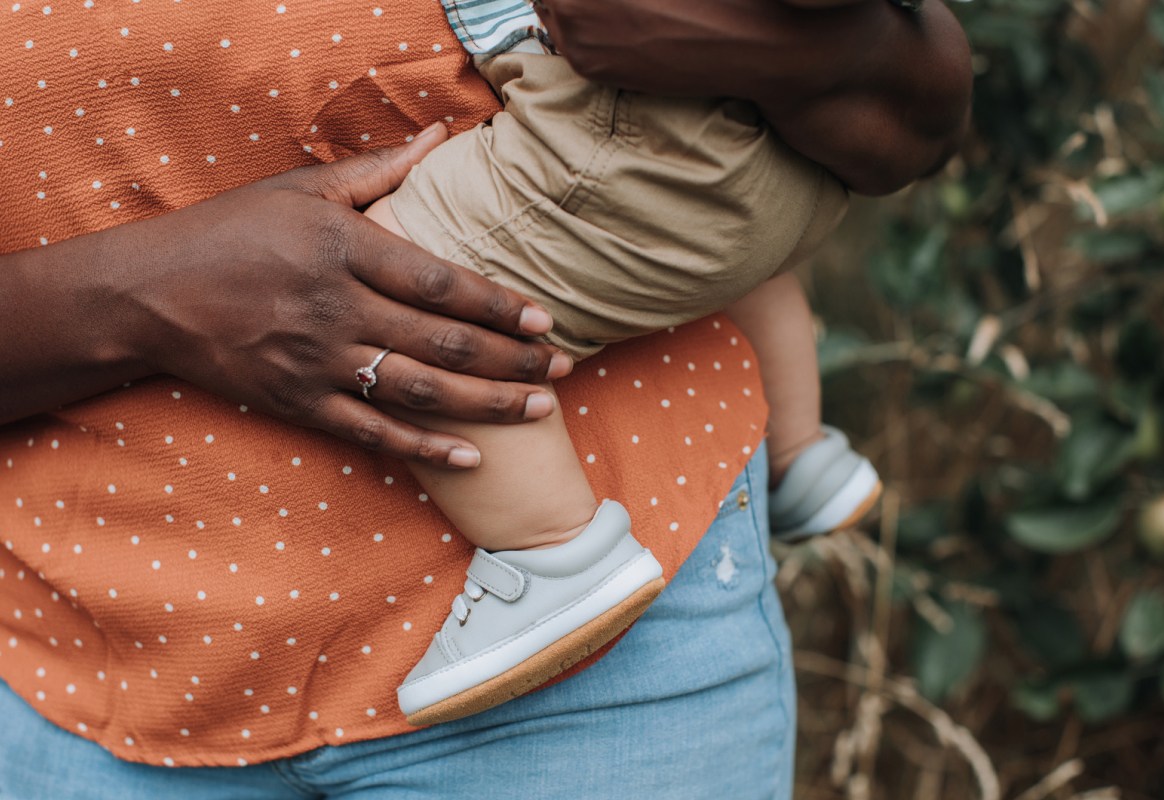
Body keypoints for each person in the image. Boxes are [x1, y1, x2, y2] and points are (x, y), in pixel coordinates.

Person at [0, 0, 970, 796]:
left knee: (427, 288)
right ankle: (801, 454)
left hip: (596, 698)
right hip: (87, 677)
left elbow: (918, 96)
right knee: (454, 277)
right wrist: (149, 294)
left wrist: (797, 45)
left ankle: (556, 549)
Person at [362, 2, 899, 725]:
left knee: (392, 278)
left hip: (631, 132)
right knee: (732, 259)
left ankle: (551, 554)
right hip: (785, 160)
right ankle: (801, 455)